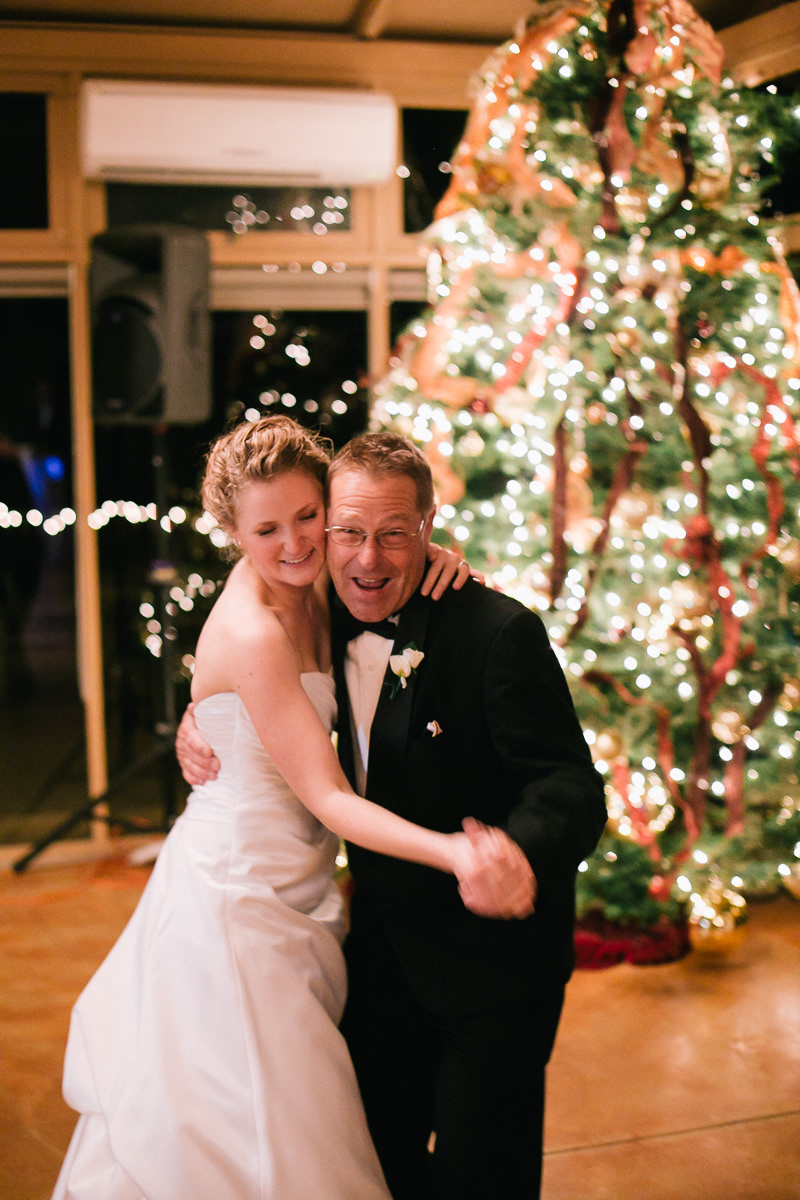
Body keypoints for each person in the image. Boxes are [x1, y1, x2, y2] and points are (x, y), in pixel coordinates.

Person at [51, 416, 504, 1200]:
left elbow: (377, 562)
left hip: (300, 883)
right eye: (267, 530)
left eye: (307, 517)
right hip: (236, 900)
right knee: (264, 1123)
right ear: (232, 532)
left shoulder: (316, 581)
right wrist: (455, 850)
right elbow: (327, 796)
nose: (296, 543)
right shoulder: (254, 633)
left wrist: (437, 554)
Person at [179, 429, 608, 1200]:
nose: (367, 559)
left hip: (492, 967)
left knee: (482, 1176)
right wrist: (203, 711)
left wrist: (513, 854)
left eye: (394, 534)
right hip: (379, 958)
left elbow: (569, 786)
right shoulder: (319, 605)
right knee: (370, 1165)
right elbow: (251, 665)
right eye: (349, 532)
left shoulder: (496, 633)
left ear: (428, 527)